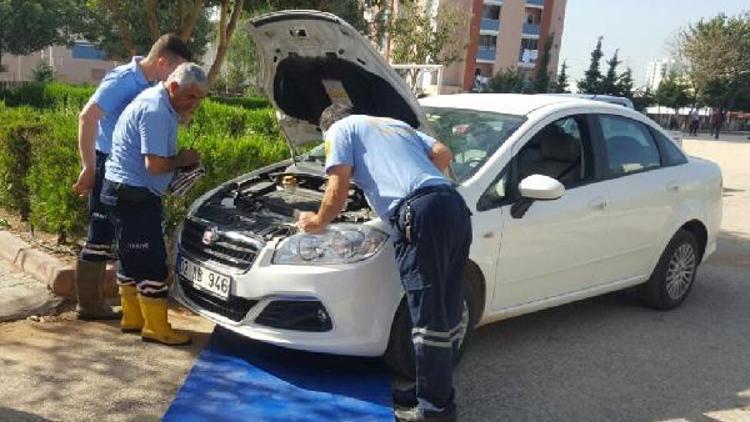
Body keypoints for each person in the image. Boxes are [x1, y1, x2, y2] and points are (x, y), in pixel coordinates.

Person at [297, 104, 472, 422]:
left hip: (420, 214)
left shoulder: (339, 130)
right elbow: (443, 154)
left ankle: (435, 410)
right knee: (444, 311)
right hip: (453, 205)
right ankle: (429, 391)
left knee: (427, 317)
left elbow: (338, 189)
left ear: (326, 128)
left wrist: (317, 221)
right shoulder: (395, 124)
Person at [72, 34, 192, 320]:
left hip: (128, 171)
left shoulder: (153, 84)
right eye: (175, 70)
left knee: (121, 237)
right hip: (107, 165)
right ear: (162, 62)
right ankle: (88, 304)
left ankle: (125, 308)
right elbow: (87, 118)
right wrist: (89, 167)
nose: (177, 78)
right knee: (99, 235)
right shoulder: (124, 79)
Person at [100, 63, 207, 346]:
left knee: (129, 257)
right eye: (191, 97)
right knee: (151, 263)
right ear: (173, 87)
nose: (195, 104)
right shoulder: (157, 111)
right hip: (134, 196)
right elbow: (156, 165)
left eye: (200, 98)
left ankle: (134, 318)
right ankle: (156, 327)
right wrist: (183, 160)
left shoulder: (159, 103)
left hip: (124, 192)